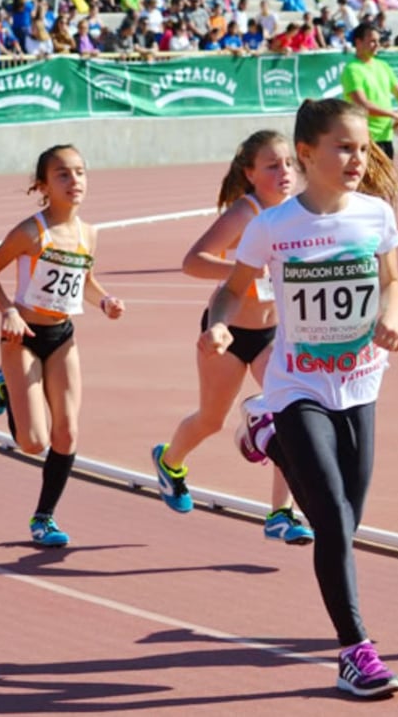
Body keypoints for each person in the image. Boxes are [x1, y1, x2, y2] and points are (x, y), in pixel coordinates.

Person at [204, 98, 398, 698]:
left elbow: (393, 281)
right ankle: (355, 651)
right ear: (307, 154)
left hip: (361, 381)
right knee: (332, 521)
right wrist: (219, 324)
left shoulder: (374, 215)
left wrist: (393, 317)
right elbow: (231, 290)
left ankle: (264, 437)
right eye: (344, 147)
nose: (357, 159)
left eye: (363, 149)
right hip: (295, 385)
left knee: (348, 518)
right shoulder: (272, 227)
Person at [150, 130, 314, 546]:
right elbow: (193, 261)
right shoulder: (246, 212)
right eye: (272, 165)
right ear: (250, 173)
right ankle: (170, 463)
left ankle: (281, 513)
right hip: (226, 331)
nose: (285, 172)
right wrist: (242, 270)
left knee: (293, 413)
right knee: (211, 420)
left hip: (274, 333)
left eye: (289, 164)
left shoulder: (299, 211)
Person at [0, 145, 126, 547]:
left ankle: (44, 518)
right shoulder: (31, 232)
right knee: (33, 443)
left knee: (68, 433)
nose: (74, 180)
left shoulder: (88, 234)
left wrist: (105, 301)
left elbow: (85, 284)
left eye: (80, 172)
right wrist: (8, 310)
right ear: (43, 185)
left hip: (62, 336)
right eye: (63, 174)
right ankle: (4, 386)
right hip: (21, 336)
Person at [340, 22, 398, 160]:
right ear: (358, 42)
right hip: (365, 138)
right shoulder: (352, 69)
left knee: (386, 181)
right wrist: (394, 115)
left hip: (386, 136)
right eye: (372, 41)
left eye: (378, 41)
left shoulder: (383, 66)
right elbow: (363, 104)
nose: (377, 44)